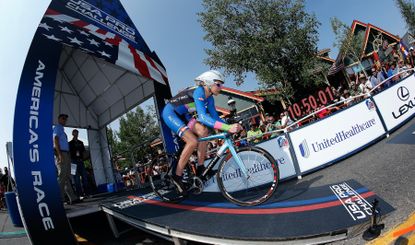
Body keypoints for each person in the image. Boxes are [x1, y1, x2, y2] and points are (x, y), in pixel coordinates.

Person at [161, 70, 241, 194]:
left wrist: (229, 126)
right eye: (218, 84)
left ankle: (200, 167)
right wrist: (227, 128)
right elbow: (203, 117)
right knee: (192, 141)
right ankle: (176, 176)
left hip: (184, 115)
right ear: (209, 83)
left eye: (222, 84)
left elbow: (214, 117)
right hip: (170, 113)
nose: (221, 87)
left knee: (204, 132)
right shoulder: (199, 91)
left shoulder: (210, 99)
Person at [53, 114, 80, 204]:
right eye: (63, 118)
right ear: (59, 119)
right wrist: (60, 154)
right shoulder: (57, 128)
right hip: (62, 153)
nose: (65, 120)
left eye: (66, 119)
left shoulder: (62, 130)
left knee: (66, 177)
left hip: (66, 154)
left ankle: (72, 198)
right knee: (62, 176)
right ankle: (58, 200)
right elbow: (55, 140)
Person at [69, 129, 89, 198]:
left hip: (80, 161)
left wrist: (84, 158)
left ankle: (87, 193)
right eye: (74, 133)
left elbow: (84, 152)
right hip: (73, 162)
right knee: (76, 178)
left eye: (77, 133)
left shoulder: (81, 142)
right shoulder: (70, 143)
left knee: (84, 177)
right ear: (72, 134)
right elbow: (68, 153)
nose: (76, 134)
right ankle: (79, 194)